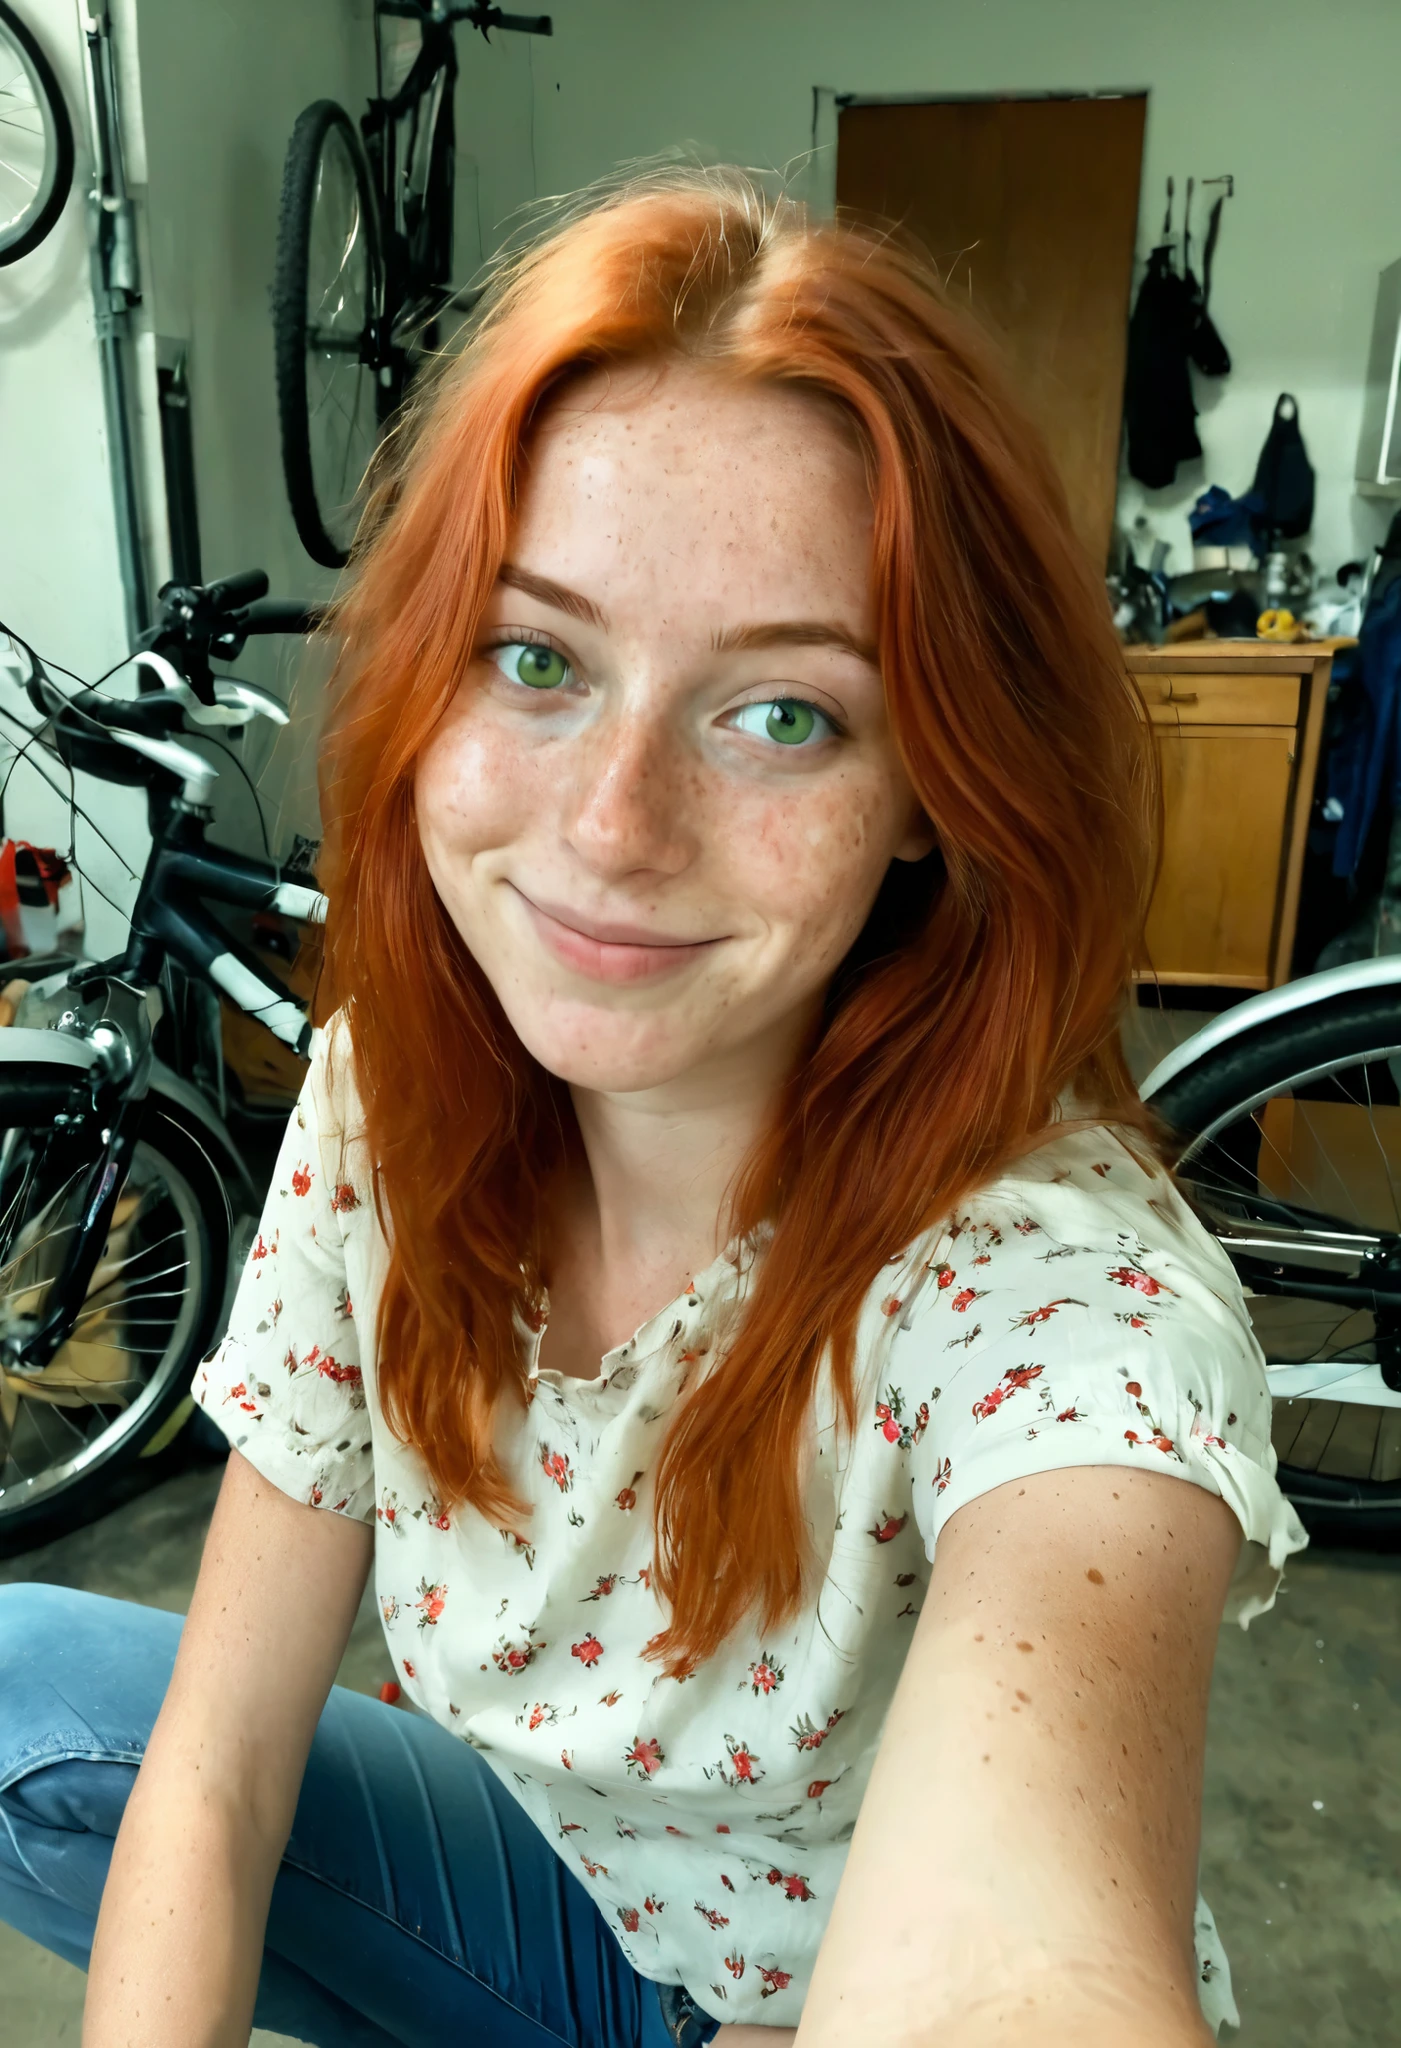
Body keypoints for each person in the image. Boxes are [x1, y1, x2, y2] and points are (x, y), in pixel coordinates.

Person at [0, 169, 1304, 2048]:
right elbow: (212, 1776)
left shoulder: (1049, 1298)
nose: (614, 830)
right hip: (574, 1910)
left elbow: (1022, 1972)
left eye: (783, 713)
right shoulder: (390, 1093)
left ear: (935, 789)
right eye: (536, 658)